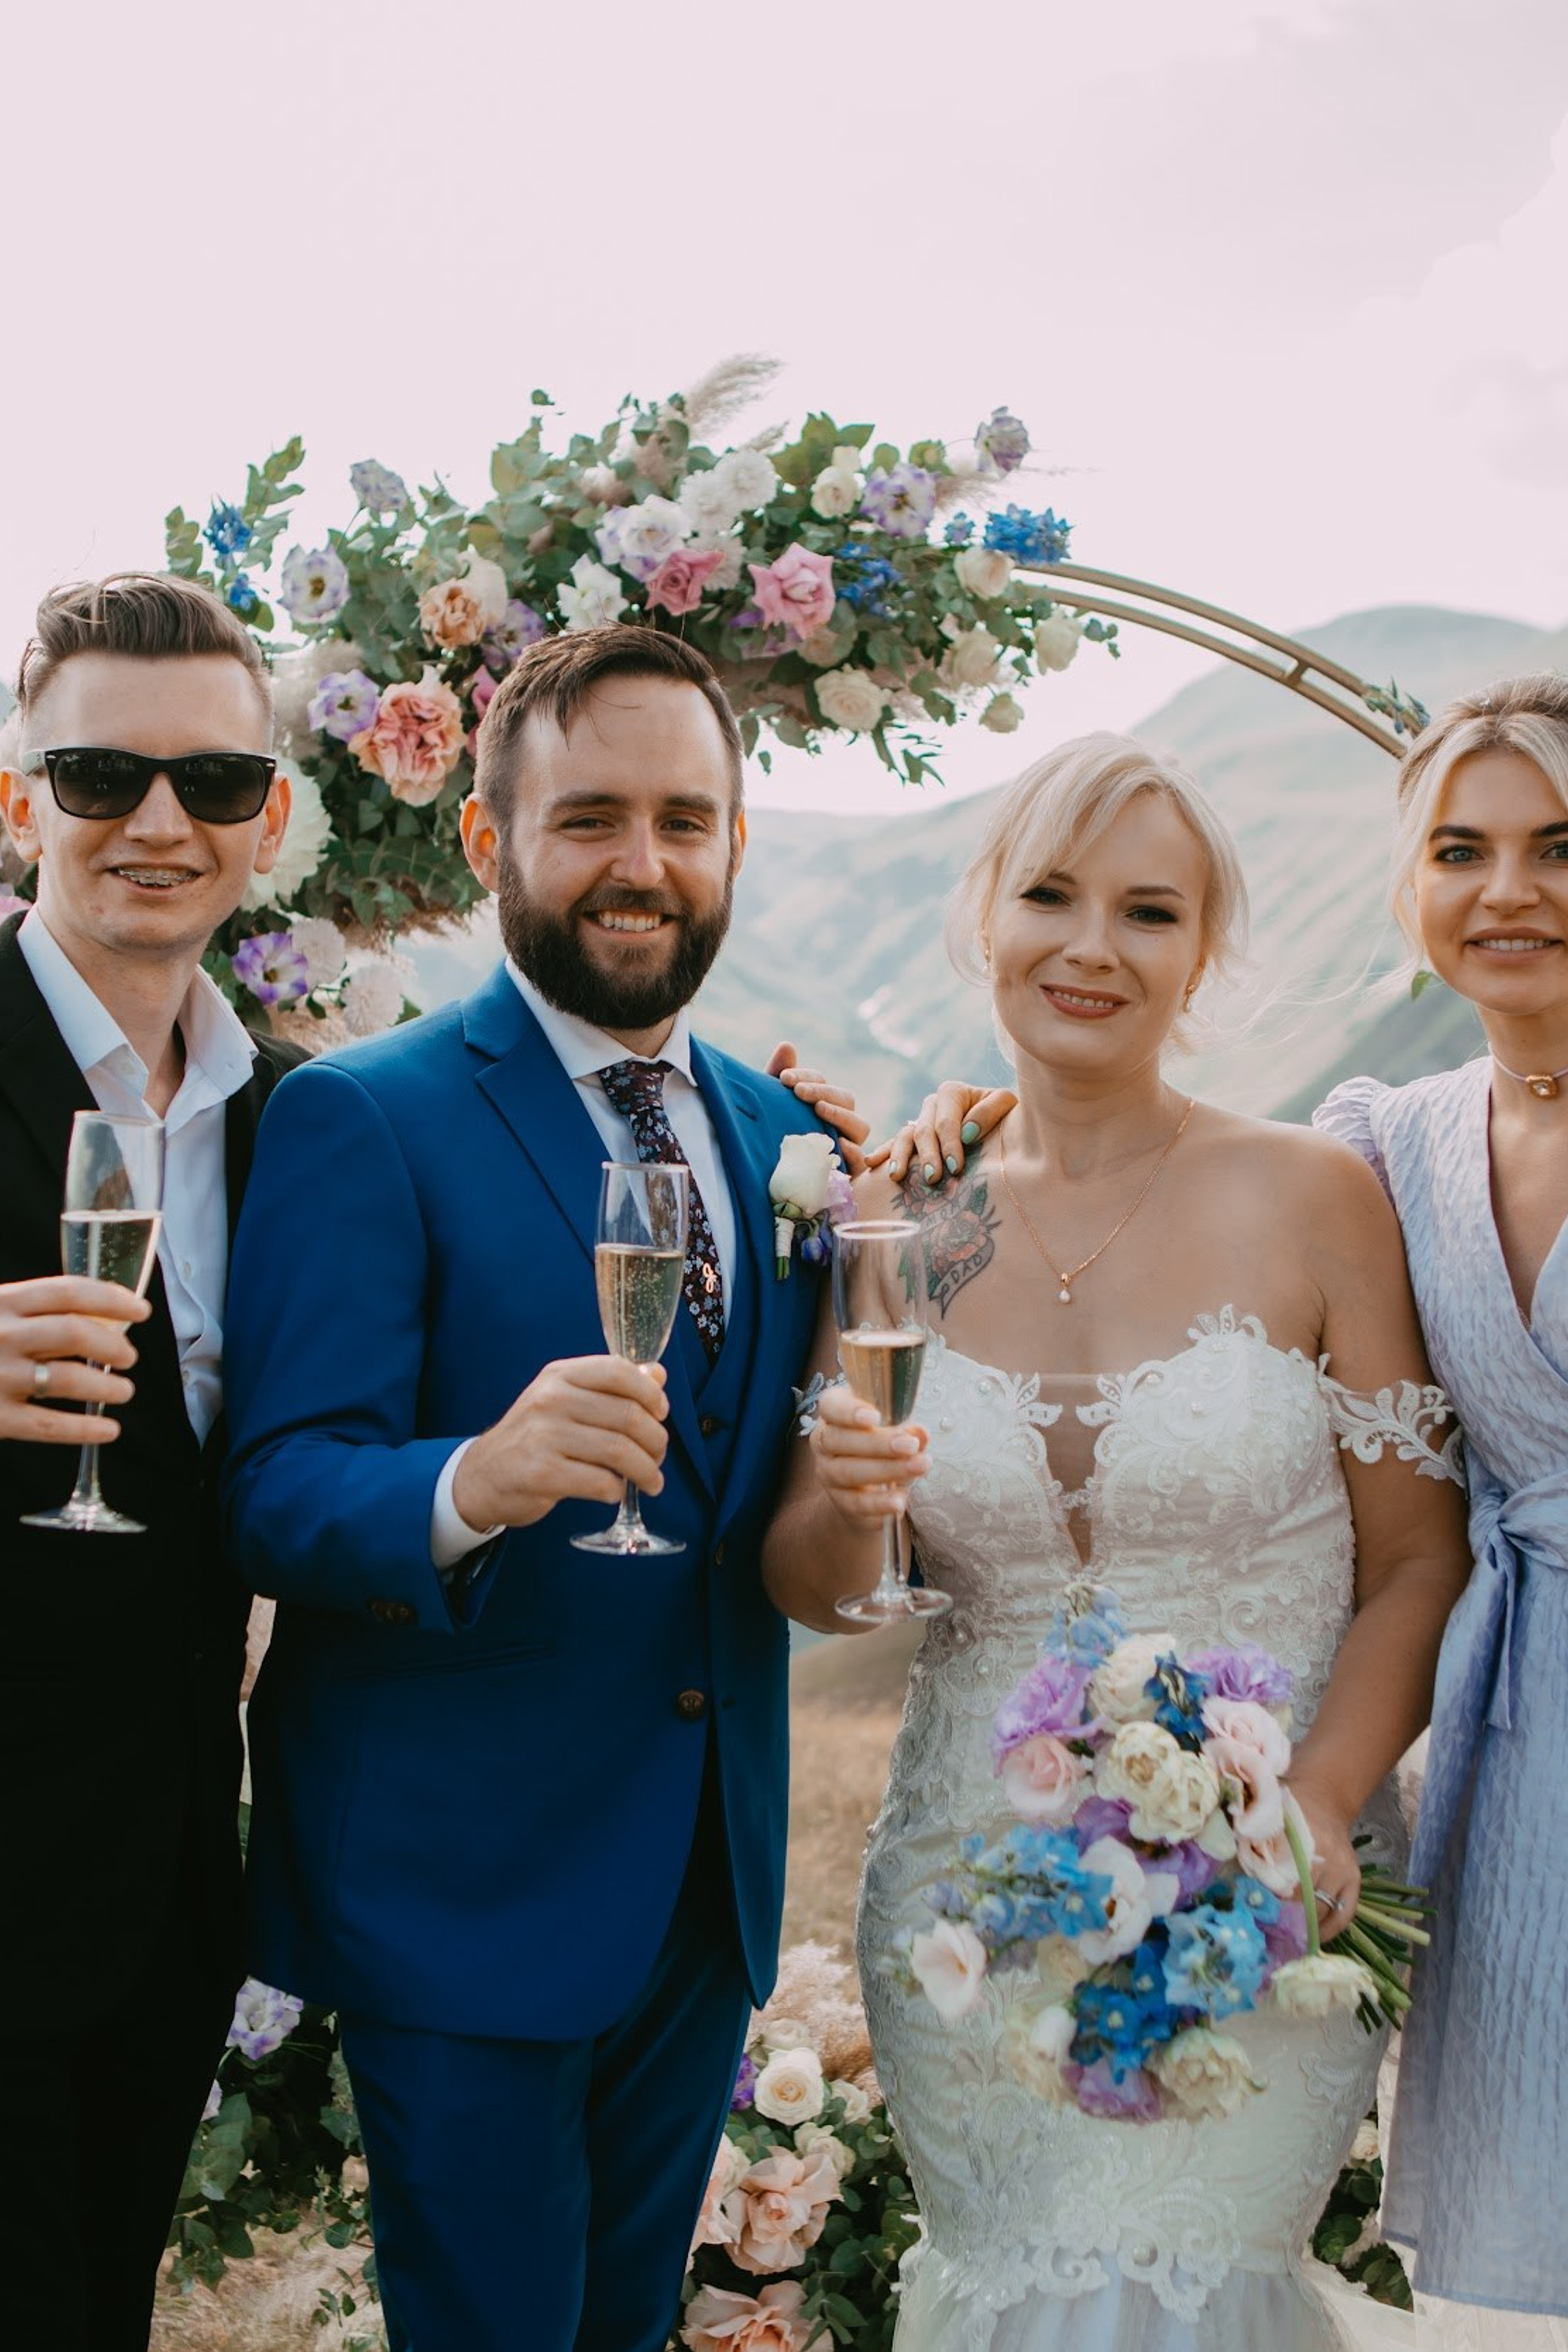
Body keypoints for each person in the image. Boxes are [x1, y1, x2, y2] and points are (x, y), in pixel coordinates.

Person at [763, 732, 1471, 2351]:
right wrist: (855, 1499)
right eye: (1051, 896)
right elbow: (812, 1580)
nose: (1092, 946)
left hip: (1267, 1896)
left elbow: (1420, 1562)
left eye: (1149, 913)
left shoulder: (1315, 1197)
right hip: (968, 1905)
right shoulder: (905, 1216)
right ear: (985, 916)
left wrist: (1318, 1801)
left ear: (1201, 954)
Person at [221, 624, 869, 2352]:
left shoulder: (783, 1139)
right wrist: (473, 1481)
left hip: (701, 1891)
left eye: (684, 819)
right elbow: (275, 1489)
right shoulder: (364, 1117)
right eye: (589, 819)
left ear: (735, 843)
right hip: (460, 1894)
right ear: (487, 839)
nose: (641, 863)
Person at [0, 573, 297, 2352]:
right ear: (20, 798)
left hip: (165, 1892)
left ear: (269, 816)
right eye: (103, 775)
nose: (160, 822)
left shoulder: (294, 1114)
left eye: (215, 781)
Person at [1311, 675, 1568, 2351]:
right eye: (1461, 851)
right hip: (1517, 1749)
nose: (1507, 891)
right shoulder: (1387, 1149)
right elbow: (1192, 1211)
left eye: (1559, 846)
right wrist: (976, 1138)